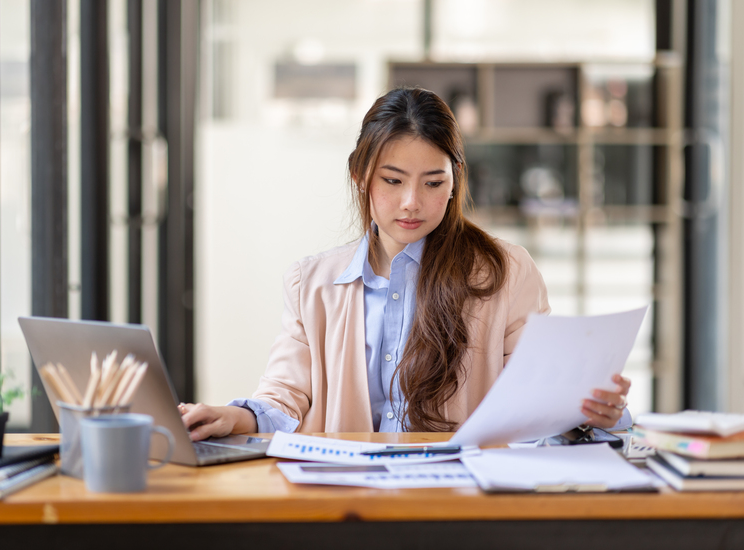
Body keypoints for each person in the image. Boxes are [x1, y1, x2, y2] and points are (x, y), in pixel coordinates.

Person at [179, 87, 631, 441]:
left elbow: (535, 398)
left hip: (461, 503)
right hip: (345, 505)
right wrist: (232, 417)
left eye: (433, 182)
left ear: (455, 181)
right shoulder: (311, 283)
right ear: (360, 176)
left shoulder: (506, 273)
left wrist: (595, 411)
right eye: (392, 181)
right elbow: (284, 396)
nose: (412, 203)